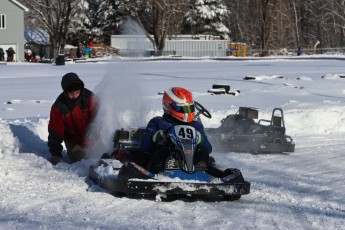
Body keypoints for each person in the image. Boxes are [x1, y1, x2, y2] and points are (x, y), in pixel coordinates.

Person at [140, 87, 212, 173]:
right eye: (182, 109)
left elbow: (209, 148)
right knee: (164, 149)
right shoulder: (158, 122)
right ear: (168, 105)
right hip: (162, 165)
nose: (186, 112)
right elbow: (145, 146)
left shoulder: (196, 125)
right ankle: (170, 165)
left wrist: (201, 138)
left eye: (189, 108)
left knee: (202, 151)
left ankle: (200, 169)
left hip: (193, 163)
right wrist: (157, 137)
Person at [48, 72, 99, 165]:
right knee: (83, 162)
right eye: (72, 93)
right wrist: (56, 155)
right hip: (74, 142)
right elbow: (55, 133)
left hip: (93, 139)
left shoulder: (89, 98)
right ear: (65, 92)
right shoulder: (59, 107)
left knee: (103, 157)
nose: (75, 96)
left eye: (77, 92)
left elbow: (101, 115)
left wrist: (94, 126)